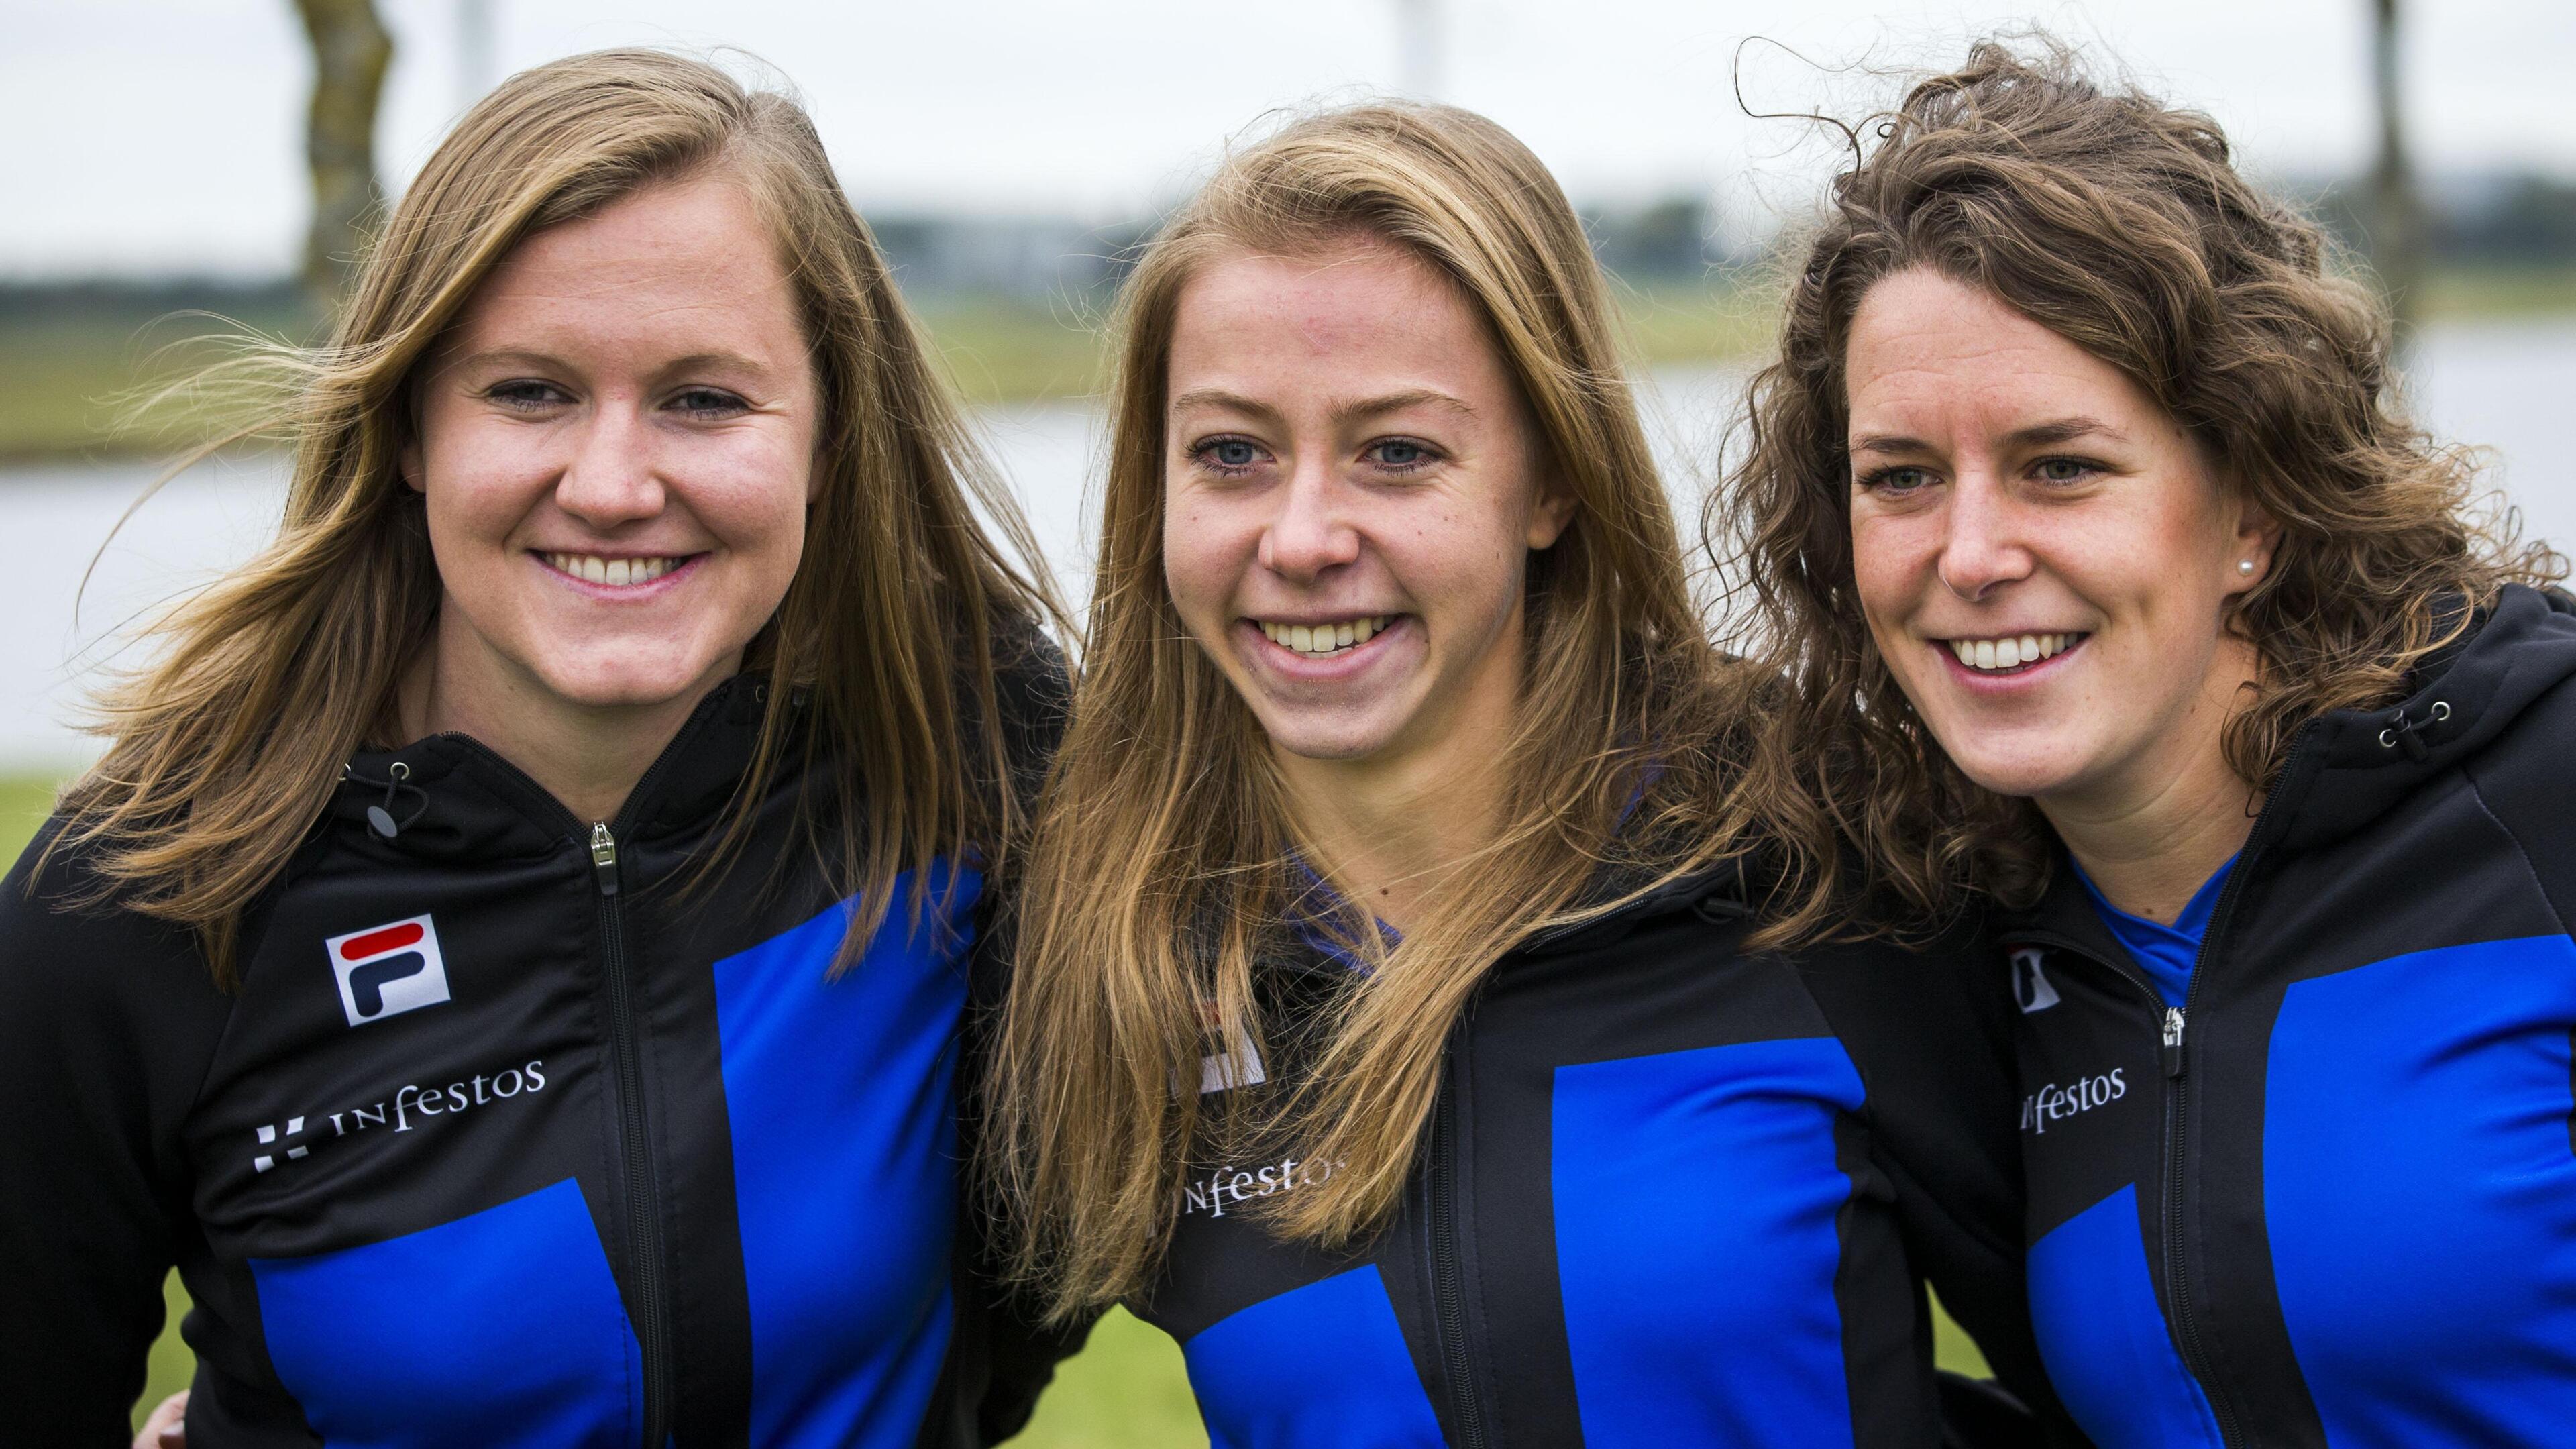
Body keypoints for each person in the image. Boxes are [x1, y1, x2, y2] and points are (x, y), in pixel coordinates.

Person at [0, 50, 1079, 1446]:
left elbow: (1073, 1249)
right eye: (527, 393)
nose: (617, 485)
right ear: (408, 431)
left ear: (827, 435)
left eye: (705, 398)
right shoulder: (140, 902)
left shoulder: (978, 751)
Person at [985, 99, 2076, 1447]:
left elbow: (2156, 1365)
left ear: (1551, 483)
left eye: (1398, 451)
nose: (1305, 534)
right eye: (1231, 454)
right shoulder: (1112, 947)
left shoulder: (1816, 859)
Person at [1722, 38, 2576, 1449]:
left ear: (2255, 506)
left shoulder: (2541, 790)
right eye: (1902, 480)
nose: (1973, 555)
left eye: (2061, 465)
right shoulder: (1964, 942)